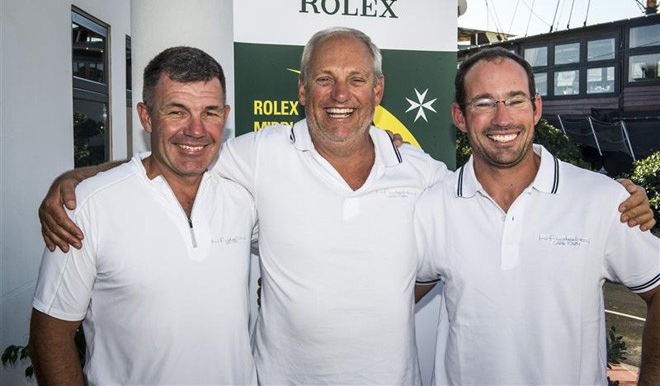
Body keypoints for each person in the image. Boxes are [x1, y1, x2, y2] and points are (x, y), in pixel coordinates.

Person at [38, 28, 655, 384]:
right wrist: (82, 177)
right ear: (301, 89)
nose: (341, 94)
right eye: (325, 80)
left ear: (378, 90)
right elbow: (179, 154)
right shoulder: (253, 155)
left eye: (357, 79)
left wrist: (618, 201)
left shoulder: (426, 177)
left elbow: (425, 269)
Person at [414, 47, 660, 385]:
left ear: (536, 109)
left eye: (515, 100)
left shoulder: (602, 199)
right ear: (460, 116)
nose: (502, 118)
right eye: (484, 103)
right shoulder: (433, 205)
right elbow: (384, 296)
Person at [29, 47, 257, 385]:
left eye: (209, 112)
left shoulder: (243, 196)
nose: (195, 130)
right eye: (177, 112)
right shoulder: (89, 207)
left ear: (224, 116)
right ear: (147, 116)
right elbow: (50, 338)